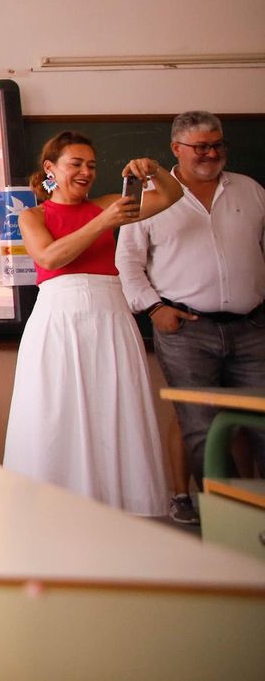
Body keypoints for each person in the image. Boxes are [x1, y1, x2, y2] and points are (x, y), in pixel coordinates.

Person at [3, 131, 183, 515]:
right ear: (50, 168)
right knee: (57, 409)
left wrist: (154, 171)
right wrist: (103, 222)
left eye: (92, 165)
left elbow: (171, 196)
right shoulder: (32, 215)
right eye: (76, 164)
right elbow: (50, 258)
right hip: (59, 317)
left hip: (110, 315)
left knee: (114, 408)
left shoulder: (107, 203)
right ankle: (52, 508)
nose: (86, 172)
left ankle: (122, 507)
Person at [116, 112, 265, 522]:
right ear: (176, 149)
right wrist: (155, 309)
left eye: (218, 144)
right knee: (200, 428)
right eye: (202, 146)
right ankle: (234, 520)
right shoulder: (148, 196)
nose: (212, 153)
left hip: (253, 327)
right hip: (185, 330)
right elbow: (127, 263)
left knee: (262, 424)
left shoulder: (250, 190)